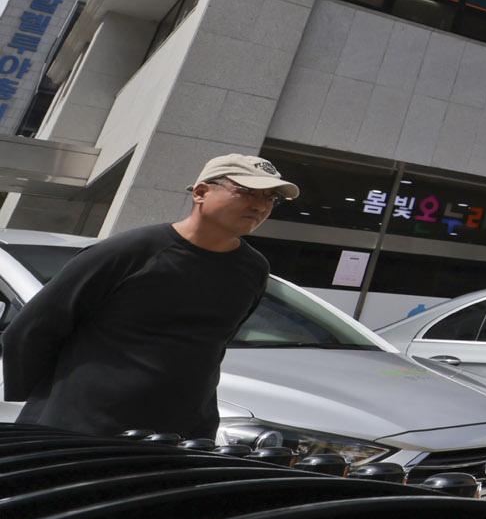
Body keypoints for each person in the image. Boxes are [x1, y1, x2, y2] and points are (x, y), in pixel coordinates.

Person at [1, 153, 298, 438]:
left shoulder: (254, 268)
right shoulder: (129, 250)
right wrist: (48, 399)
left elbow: (213, 346)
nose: (260, 205)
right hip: (82, 426)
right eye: (247, 192)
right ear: (201, 192)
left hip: (180, 435)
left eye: (271, 198)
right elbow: (34, 328)